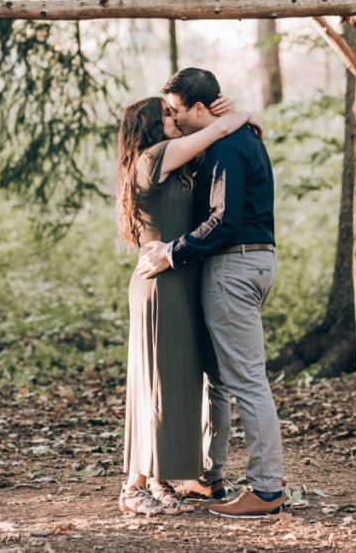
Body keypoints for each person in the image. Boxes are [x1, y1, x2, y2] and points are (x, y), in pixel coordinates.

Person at [136, 67, 285, 519]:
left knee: (244, 379)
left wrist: (172, 252)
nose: (175, 119)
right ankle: (209, 476)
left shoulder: (225, 147)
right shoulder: (238, 140)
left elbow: (224, 220)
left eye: (179, 111)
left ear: (200, 108)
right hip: (254, 261)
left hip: (233, 267)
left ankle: (266, 488)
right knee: (221, 378)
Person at [115, 93, 262, 516]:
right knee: (156, 384)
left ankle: (160, 477)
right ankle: (133, 485)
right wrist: (238, 115)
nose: (174, 117)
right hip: (160, 286)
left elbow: (212, 151)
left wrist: (221, 115)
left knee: (178, 385)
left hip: (182, 280)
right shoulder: (153, 157)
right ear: (150, 125)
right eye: (166, 114)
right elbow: (215, 131)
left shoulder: (173, 164)